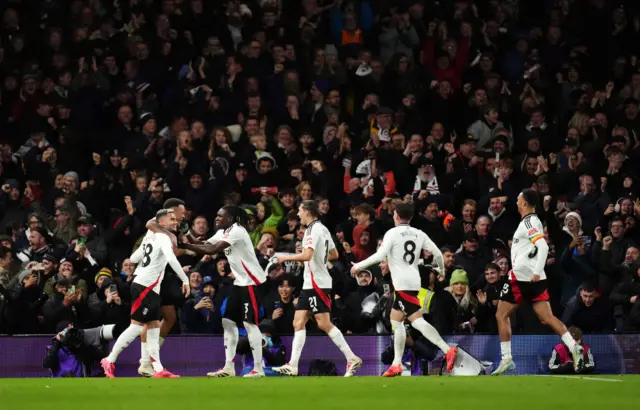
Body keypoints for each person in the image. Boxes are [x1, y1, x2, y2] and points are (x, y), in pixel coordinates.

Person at [350, 202, 458, 377]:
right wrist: (441, 270)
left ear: (396, 215)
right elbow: (438, 253)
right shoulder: (419, 233)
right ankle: (397, 364)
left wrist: (357, 267)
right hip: (413, 281)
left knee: (416, 321)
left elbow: (380, 255)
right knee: (397, 321)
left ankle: (447, 349)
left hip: (402, 283)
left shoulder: (392, 233)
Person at [492, 189, 584, 375]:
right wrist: (537, 271)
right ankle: (573, 347)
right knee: (546, 317)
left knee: (501, 315)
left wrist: (534, 271)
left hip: (521, 276)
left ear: (525, 202)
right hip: (536, 278)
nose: (516, 202)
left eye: (518, 200)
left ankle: (506, 359)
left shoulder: (528, 221)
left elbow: (542, 245)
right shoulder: (533, 222)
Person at [273, 200, 363, 377]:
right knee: (298, 322)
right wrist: (320, 259)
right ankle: (293, 364)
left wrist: (286, 257)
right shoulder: (322, 228)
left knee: (324, 323)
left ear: (307, 211)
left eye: (299, 211)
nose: (298, 214)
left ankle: (352, 358)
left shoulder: (312, 230)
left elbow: (307, 255)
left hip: (317, 284)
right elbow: (334, 254)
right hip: (310, 283)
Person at [100, 209, 189, 378]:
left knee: (154, 326)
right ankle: (109, 360)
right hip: (146, 286)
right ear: (161, 223)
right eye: (171, 219)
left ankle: (158, 369)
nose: (175, 222)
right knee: (136, 326)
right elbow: (170, 258)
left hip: (147, 286)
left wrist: (140, 267)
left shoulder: (149, 236)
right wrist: (185, 279)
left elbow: (134, 257)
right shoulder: (164, 237)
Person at [184, 205, 268, 377]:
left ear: (229, 219)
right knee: (228, 322)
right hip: (240, 282)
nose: (216, 218)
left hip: (252, 282)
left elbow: (212, 250)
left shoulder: (237, 231)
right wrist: (187, 239)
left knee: (250, 324)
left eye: (219, 216)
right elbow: (205, 243)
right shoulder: (224, 231)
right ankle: (229, 367)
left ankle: (258, 368)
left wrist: (185, 244)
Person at [138, 198, 189, 377]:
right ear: (172, 211)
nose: (183, 217)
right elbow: (171, 252)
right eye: (181, 213)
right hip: (153, 275)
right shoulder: (156, 222)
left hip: (164, 275)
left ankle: (152, 357)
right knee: (148, 320)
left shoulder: (173, 226)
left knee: (169, 317)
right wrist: (187, 250)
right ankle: (145, 361)